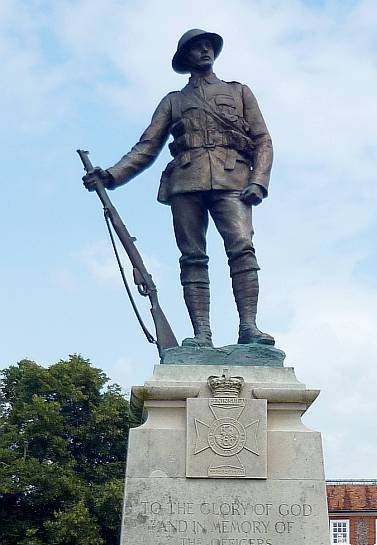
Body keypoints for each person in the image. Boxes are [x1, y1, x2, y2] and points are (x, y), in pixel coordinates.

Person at [83, 29, 275, 349]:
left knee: (242, 249)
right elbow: (147, 147)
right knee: (192, 257)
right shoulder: (174, 101)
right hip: (187, 181)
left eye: (208, 46)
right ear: (185, 58)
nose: (204, 51)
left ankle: (249, 328)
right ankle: (202, 334)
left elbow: (263, 141)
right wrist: (112, 176)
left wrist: (259, 181)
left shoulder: (239, 92)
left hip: (233, 179)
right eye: (197, 48)